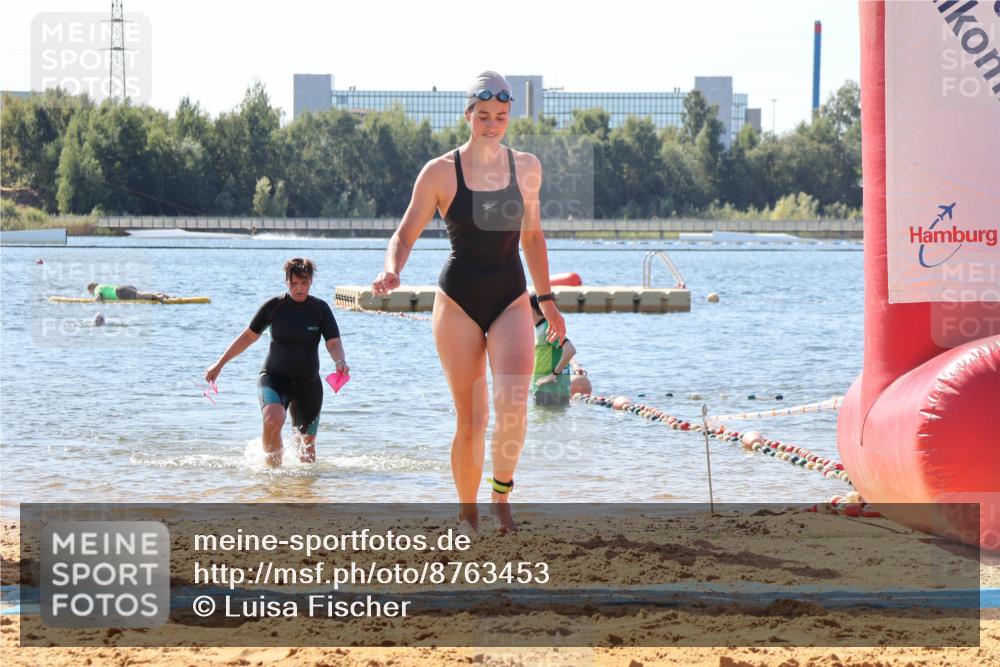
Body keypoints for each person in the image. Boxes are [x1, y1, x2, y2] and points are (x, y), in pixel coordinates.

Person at [372, 71, 566, 534]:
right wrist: (392, 268)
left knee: (513, 406)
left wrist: (547, 301)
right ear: (468, 115)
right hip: (457, 301)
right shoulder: (440, 171)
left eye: (500, 116)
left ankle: (501, 496)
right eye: (483, 116)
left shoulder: (527, 168)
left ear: (509, 116)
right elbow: (404, 234)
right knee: (473, 421)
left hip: (511, 298)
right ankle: (467, 510)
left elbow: (533, 238)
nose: (492, 124)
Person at [205, 258, 348, 466]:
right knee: (273, 418)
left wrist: (340, 361)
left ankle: (299, 485)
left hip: (308, 384)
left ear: (311, 281)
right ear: (286, 282)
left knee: (307, 450)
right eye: (294, 283)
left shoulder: (320, 309)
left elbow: (333, 343)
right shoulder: (274, 307)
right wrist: (219, 364)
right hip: (274, 378)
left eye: (304, 283)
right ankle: (271, 470)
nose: (299, 288)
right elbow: (247, 337)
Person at [529, 293, 577, 405]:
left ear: (531, 308)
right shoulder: (541, 327)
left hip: (550, 391)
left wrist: (553, 375)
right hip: (544, 389)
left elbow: (570, 350)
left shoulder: (547, 327)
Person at [86, 283, 173, 303]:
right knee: (143, 294)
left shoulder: (97, 289)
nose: (91, 294)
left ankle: (159, 297)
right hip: (124, 287)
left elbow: (98, 297)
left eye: (90, 292)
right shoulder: (103, 285)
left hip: (119, 293)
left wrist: (94, 303)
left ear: (91, 289)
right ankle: (168, 297)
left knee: (140, 296)